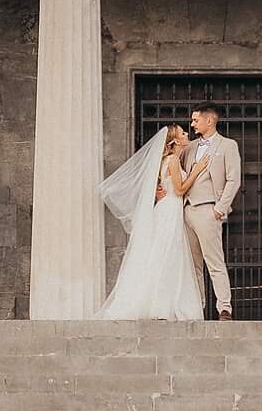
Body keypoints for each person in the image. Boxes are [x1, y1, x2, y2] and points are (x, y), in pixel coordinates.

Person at [96, 124, 207, 320]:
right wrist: (196, 171)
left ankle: (160, 302)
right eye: (182, 133)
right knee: (168, 255)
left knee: (163, 255)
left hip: (167, 208)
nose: (186, 134)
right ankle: (162, 305)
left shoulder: (167, 160)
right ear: (175, 141)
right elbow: (180, 190)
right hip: (169, 209)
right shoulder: (172, 160)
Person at [182, 105, 242, 320]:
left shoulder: (228, 145)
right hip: (186, 210)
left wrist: (220, 208)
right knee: (193, 265)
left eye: (195, 120)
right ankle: (197, 307)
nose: (192, 124)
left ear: (209, 121)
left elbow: (234, 179)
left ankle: (224, 307)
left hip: (208, 209)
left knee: (214, 261)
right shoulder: (189, 147)